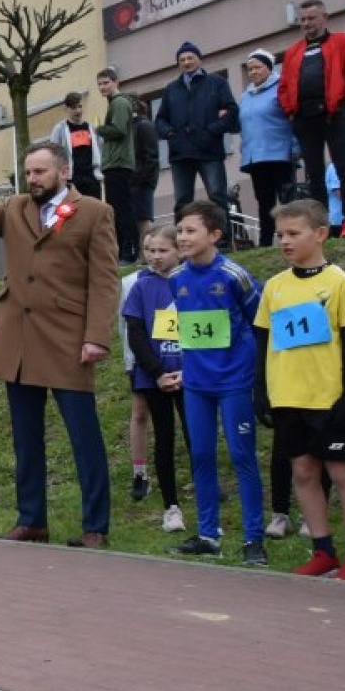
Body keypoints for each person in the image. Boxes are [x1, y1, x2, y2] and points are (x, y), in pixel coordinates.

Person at [0, 136, 117, 547]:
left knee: (84, 438)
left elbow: (104, 282)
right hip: (20, 341)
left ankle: (95, 526)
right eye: (28, 171)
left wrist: (96, 337)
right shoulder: (16, 208)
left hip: (69, 341)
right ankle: (32, 519)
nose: (32, 179)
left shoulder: (95, 213)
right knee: (25, 439)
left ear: (63, 172)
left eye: (40, 171)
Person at [256, 199, 345, 581]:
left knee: (342, 473)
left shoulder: (339, 282)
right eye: (280, 235)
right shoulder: (274, 287)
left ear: (320, 234)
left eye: (294, 233)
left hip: (328, 398)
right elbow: (264, 344)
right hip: (288, 396)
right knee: (303, 472)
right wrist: (262, 392)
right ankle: (323, 550)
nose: (284, 241)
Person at [168, 200, 265, 564]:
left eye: (191, 230)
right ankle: (208, 535)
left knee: (242, 456)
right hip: (197, 384)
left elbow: (260, 323)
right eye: (179, 230)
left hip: (234, 382)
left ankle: (254, 538)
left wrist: (257, 375)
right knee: (202, 455)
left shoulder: (233, 276)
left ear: (215, 235)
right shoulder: (176, 278)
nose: (182, 236)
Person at [278, 0, 345, 239]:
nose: (306, 23)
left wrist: (344, 101)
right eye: (302, 19)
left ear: (324, 18)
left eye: (311, 18)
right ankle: (322, 226)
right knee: (314, 173)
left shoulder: (343, 42)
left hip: (334, 114)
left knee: (343, 168)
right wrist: (290, 111)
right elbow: (284, 86)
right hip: (304, 118)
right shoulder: (293, 52)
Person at [121, 226, 189, 534]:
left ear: (179, 251)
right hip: (155, 377)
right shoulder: (140, 287)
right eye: (152, 251)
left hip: (192, 376)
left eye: (163, 251)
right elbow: (135, 335)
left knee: (196, 435)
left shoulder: (191, 282)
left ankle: (209, 494)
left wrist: (191, 370)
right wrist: (158, 372)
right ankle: (170, 506)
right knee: (164, 437)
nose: (156, 257)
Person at [155, 42, 238, 211]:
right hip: (181, 155)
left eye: (190, 58)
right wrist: (170, 133)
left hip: (210, 151)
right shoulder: (171, 89)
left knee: (217, 198)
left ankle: (222, 237)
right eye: (182, 59)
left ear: (199, 59)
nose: (186, 62)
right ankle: (183, 237)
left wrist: (210, 131)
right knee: (182, 202)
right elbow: (160, 119)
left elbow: (231, 112)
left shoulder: (217, 83)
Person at [233, 49, 297, 247]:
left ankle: (292, 236)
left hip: (280, 153)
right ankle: (266, 241)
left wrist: (295, 147)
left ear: (269, 68)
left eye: (258, 67)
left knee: (287, 200)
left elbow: (293, 119)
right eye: (250, 69)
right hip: (255, 158)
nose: (253, 72)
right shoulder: (245, 97)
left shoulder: (281, 89)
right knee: (264, 201)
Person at [95, 69, 139, 263]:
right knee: (119, 208)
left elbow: (119, 130)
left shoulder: (120, 103)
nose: (103, 87)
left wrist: (100, 129)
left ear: (116, 82)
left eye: (106, 83)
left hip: (118, 163)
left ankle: (128, 251)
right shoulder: (116, 103)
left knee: (122, 209)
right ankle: (125, 251)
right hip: (116, 163)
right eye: (100, 84)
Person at [49, 92, 103, 200]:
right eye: (74, 108)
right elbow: (53, 153)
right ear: (66, 109)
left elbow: (101, 148)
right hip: (71, 178)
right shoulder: (59, 129)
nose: (78, 111)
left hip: (92, 178)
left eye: (80, 107)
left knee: (94, 211)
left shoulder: (92, 128)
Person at [132, 98, 161, 245]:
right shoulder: (135, 126)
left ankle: (149, 251)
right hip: (139, 179)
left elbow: (151, 156)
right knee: (139, 218)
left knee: (144, 218)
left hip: (142, 181)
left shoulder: (143, 126)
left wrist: (142, 178)